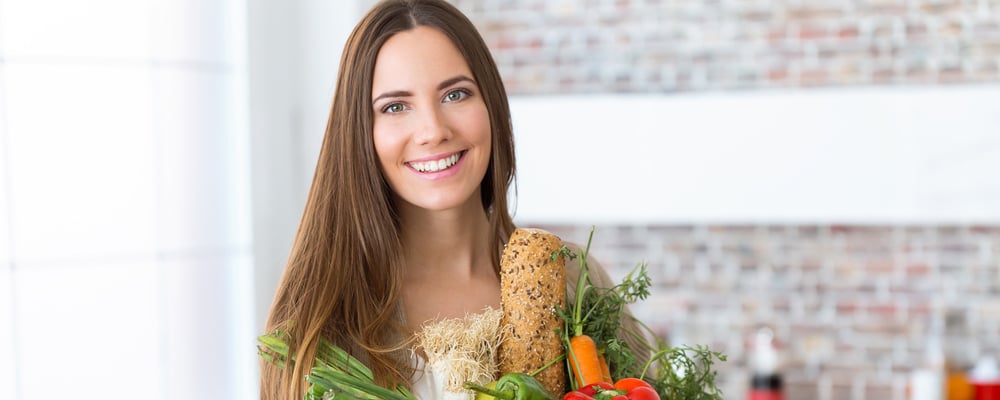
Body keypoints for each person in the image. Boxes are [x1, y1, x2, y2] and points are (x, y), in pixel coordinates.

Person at [259, 1, 646, 399]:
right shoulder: (325, 318)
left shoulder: (574, 281)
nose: (433, 130)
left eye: (455, 94)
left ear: (491, 104)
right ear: (360, 132)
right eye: (395, 106)